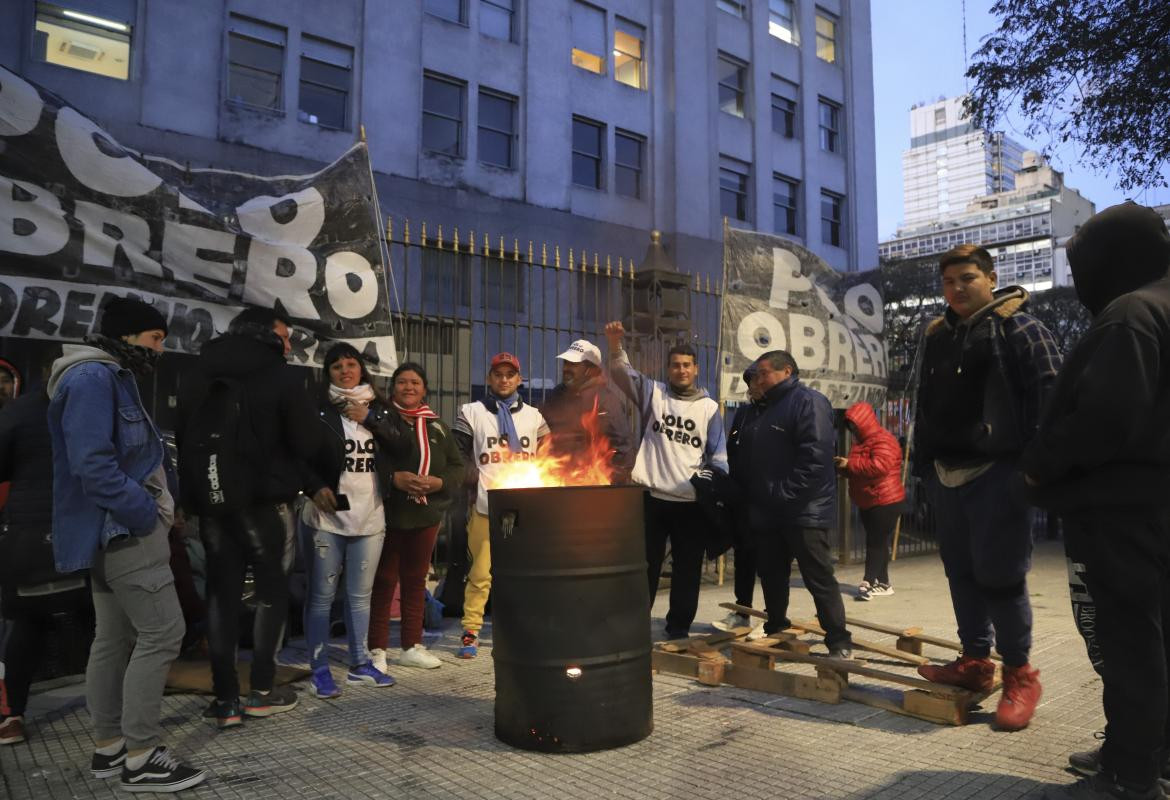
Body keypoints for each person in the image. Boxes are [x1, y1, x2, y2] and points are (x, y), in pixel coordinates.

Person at [1019, 203, 1170, 800]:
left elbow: (1105, 419)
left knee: (1131, 642)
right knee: (1159, 635)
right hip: (1157, 503)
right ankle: (1148, 754)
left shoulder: (1131, 313)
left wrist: (1038, 466)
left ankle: (1130, 776)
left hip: (1125, 509)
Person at [46, 296, 205, 792]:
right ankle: (142, 755)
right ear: (129, 335)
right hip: (123, 531)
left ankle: (109, 746)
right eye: (155, 339)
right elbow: (92, 465)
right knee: (162, 634)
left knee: (113, 639)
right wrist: (143, 514)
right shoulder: (94, 378)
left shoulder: (106, 376)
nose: (160, 350)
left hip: (112, 531)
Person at [912, 243, 1061, 732]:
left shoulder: (1019, 326)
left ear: (991, 278)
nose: (957, 289)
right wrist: (921, 466)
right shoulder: (936, 336)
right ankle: (976, 662)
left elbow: (1051, 394)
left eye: (968, 279)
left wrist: (1037, 467)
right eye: (949, 281)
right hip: (947, 473)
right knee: (961, 572)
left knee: (1001, 578)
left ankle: (1021, 673)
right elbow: (924, 403)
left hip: (1000, 472)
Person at [176, 307, 318, 728]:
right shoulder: (282, 376)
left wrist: (192, 499)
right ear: (265, 335)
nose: (288, 345)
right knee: (272, 592)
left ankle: (224, 701)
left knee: (221, 594)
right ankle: (260, 691)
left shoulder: (197, 373)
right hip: (265, 504)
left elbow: (182, 439)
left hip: (213, 503)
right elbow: (308, 441)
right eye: (284, 336)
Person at [603, 322, 728, 640]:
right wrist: (615, 345)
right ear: (668, 369)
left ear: (696, 369)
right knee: (643, 569)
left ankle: (678, 629)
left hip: (689, 504)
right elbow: (622, 374)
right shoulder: (654, 394)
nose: (681, 370)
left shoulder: (709, 409)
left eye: (687, 365)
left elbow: (719, 459)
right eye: (675, 365)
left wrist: (703, 482)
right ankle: (634, 626)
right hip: (652, 498)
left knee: (688, 572)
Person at [727, 350, 852, 658]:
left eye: (764, 372)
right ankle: (776, 627)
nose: (758, 378)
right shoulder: (759, 410)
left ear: (787, 372)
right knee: (771, 573)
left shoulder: (807, 402)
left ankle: (838, 639)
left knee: (818, 576)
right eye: (756, 374)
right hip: (768, 511)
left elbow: (814, 459)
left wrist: (783, 495)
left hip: (803, 510)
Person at [0, 350, 93, 747]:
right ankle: (110, 709)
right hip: (85, 529)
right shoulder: (94, 412)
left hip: (27, 531)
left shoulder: (17, 413)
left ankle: (11, 716)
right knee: (96, 621)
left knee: (24, 623)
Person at [300, 344, 402, 698]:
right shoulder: (317, 409)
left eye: (351, 364)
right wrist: (313, 487)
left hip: (370, 516)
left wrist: (369, 418)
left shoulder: (380, 406)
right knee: (322, 597)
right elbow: (301, 455)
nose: (345, 371)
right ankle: (319, 667)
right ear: (327, 372)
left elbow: (401, 444)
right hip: (328, 519)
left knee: (360, 597)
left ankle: (360, 664)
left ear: (361, 369)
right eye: (337, 366)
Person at [451, 353, 548, 659]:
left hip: (525, 507)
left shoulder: (535, 417)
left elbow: (548, 457)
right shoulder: (472, 411)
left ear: (519, 379)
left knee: (525, 574)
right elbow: (457, 454)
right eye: (498, 374)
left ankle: (522, 629)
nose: (504, 379)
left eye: (510, 374)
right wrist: (473, 478)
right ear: (490, 378)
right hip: (486, 505)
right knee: (481, 573)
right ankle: (471, 630)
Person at [368, 363, 463, 671]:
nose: (409, 387)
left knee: (415, 580)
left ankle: (411, 645)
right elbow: (368, 459)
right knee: (383, 581)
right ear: (392, 388)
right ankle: (376, 649)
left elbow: (457, 467)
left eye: (415, 383)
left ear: (424, 390)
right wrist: (394, 477)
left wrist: (438, 483)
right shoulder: (380, 421)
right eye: (402, 382)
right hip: (388, 512)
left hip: (425, 513)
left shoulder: (436, 426)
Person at [835, 401, 906, 601]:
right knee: (879, 541)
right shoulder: (860, 443)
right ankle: (883, 583)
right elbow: (861, 471)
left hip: (886, 499)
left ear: (864, 422)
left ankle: (868, 582)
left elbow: (879, 467)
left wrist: (851, 464)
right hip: (870, 499)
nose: (853, 429)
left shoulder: (884, 440)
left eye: (855, 425)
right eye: (850, 426)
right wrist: (845, 468)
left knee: (875, 542)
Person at [541, 338, 634, 483]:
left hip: (591, 484)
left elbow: (623, 448)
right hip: (557, 480)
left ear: (590, 370)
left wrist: (609, 483)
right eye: (566, 363)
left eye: (574, 365)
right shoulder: (555, 395)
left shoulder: (607, 400)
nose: (567, 368)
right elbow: (543, 436)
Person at [713, 365, 763, 634]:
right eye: (750, 382)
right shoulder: (743, 413)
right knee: (743, 557)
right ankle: (742, 613)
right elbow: (731, 450)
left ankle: (774, 617)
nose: (752, 386)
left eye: (756, 380)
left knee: (768, 562)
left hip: (769, 501)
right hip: (742, 499)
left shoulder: (778, 412)